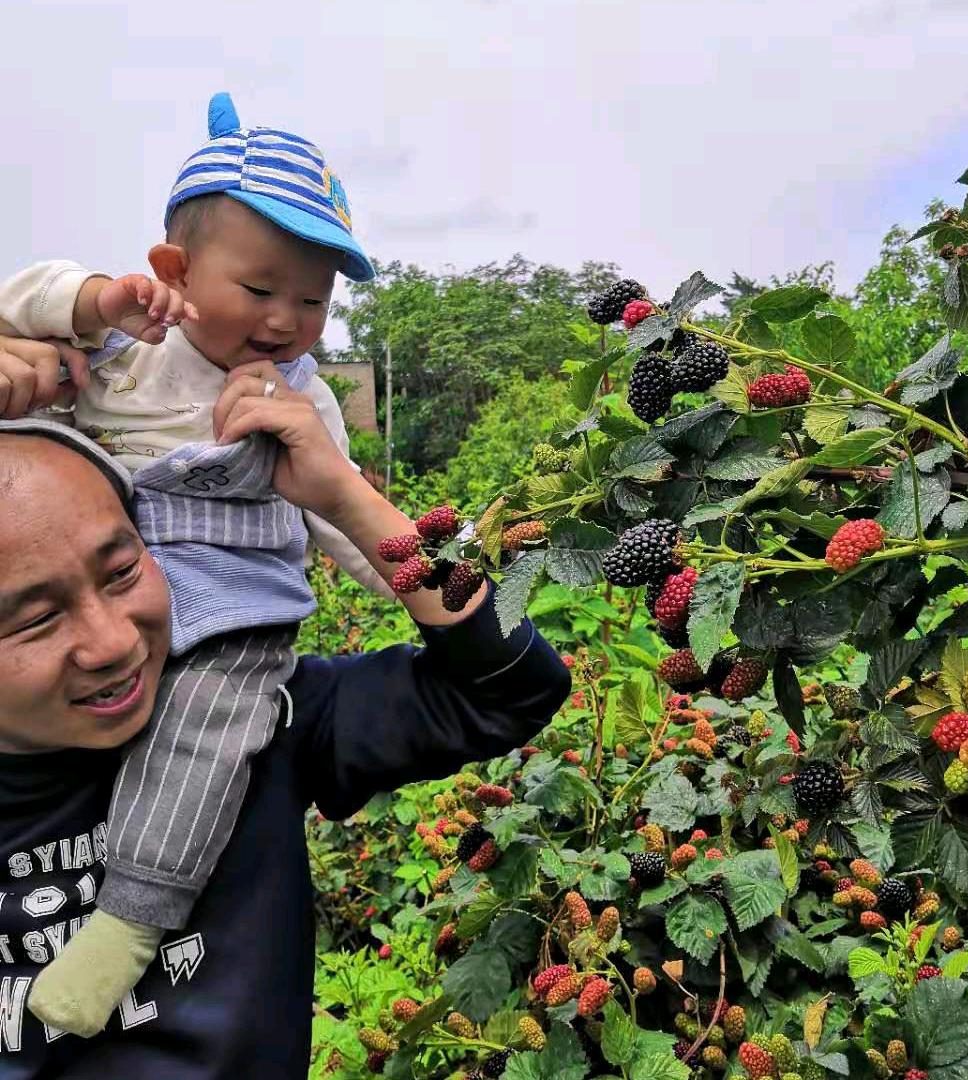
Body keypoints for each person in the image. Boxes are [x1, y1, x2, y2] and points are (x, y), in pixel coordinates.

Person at [0, 90, 462, 1038]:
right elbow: (22, 298)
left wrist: (431, 573)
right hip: (117, 585)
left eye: (314, 300)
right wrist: (91, 303)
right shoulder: (127, 340)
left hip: (231, 615)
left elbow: (360, 544)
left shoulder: (307, 404)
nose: (287, 320)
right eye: (260, 290)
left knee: (206, 736)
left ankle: (132, 917)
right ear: (174, 268)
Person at [0, 398, 570, 1076]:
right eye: (36, 620)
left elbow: (512, 688)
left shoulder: (247, 719)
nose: (113, 642)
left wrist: (341, 494)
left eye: (124, 572)